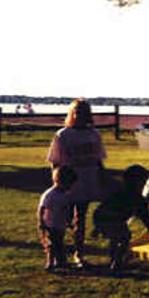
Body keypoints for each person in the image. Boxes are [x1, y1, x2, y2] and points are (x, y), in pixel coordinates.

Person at [47, 98, 107, 268]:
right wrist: (58, 182)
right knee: (60, 220)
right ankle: (57, 255)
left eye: (84, 112)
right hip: (68, 183)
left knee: (80, 218)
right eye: (77, 112)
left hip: (87, 180)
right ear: (72, 114)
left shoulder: (93, 134)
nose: (80, 116)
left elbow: (98, 160)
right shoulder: (63, 135)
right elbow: (55, 161)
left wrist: (102, 178)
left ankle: (78, 253)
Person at [92, 165, 149, 270]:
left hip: (102, 217)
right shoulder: (136, 198)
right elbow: (145, 217)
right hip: (113, 218)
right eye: (143, 182)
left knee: (115, 239)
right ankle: (117, 260)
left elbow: (102, 208)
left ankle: (114, 258)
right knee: (124, 237)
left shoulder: (118, 190)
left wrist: (97, 226)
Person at [37, 166, 77, 271]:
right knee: (52, 244)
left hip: (60, 224)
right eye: (69, 184)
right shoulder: (50, 195)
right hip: (50, 224)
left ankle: (60, 261)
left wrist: (68, 221)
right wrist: (41, 221)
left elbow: (66, 209)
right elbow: (42, 208)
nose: (70, 187)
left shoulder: (65, 195)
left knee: (59, 242)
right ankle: (50, 262)